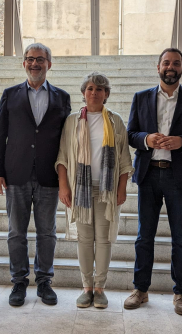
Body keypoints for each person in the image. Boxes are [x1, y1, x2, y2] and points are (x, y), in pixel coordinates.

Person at [125, 47, 182, 315]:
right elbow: (130, 134)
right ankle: (140, 290)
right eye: (166, 63)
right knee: (143, 236)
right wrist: (147, 140)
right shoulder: (141, 98)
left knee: (181, 237)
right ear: (158, 67)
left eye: (175, 63)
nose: (170, 67)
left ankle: (181, 292)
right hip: (149, 174)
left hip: (178, 175)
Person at [0, 43, 71, 306]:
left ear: (50, 63)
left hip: (49, 175)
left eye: (40, 59)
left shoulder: (62, 97)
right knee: (16, 232)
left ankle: (45, 281)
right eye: (30, 59)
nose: (34, 63)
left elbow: (67, 141)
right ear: (23, 63)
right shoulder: (10, 94)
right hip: (16, 173)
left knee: (47, 232)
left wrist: (64, 179)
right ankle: (19, 282)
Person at [56, 72, 133, 308]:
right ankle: (86, 287)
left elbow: (123, 159)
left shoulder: (115, 121)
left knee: (104, 239)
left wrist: (122, 188)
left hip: (106, 190)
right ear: (83, 93)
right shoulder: (71, 121)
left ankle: (100, 288)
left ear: (106, 94)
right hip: (80, 190)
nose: (94, 92)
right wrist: (64, 186)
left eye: (100, 89)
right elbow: (62, 157)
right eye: (90, 88)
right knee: (84, 239)